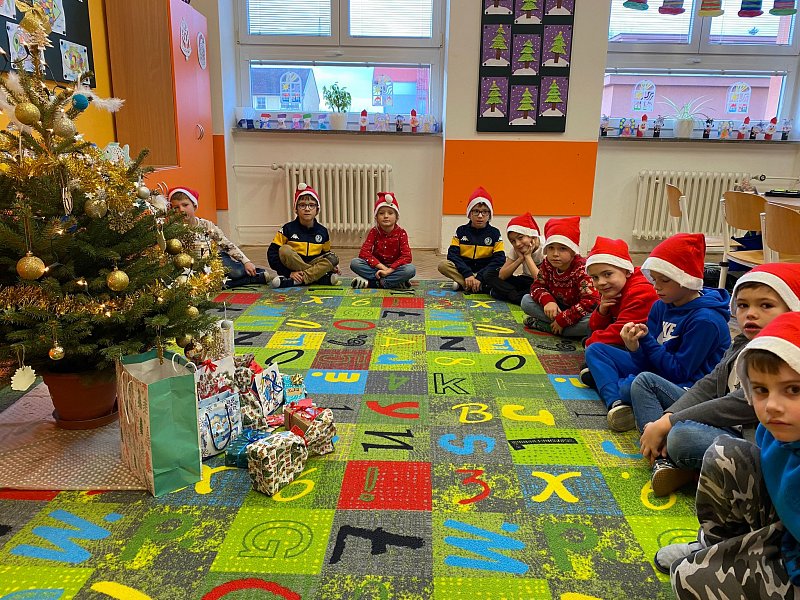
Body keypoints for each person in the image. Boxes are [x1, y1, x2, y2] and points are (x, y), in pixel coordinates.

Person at [656, 311, 800, 599]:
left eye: (794, 390)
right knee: (725, 453)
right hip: (786, 527)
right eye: (761, 390)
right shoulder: (771, 430)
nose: (772, 406)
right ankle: (715, 545)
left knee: (689, 579)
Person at [632, 263, 800, 496]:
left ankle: (670, 457)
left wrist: (670, 423)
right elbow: (709, 384)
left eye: (766, 305)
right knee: (644, 382)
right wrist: (666, 419)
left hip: (747, 439)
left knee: (681, 437)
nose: (751, 313)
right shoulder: (742, 342)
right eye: (743, 305)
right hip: (720, 423)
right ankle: (665, 455)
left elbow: (738, 404)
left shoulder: (788, 357)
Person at [584, 233, 731, 432]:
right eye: (654, 279)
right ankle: (617, 404)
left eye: (664, 280)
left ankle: (613, 386)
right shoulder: (661, 305)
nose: (655, 286)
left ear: (686, 280)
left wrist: (647, 343)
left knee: (631, 385)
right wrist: (635, 348)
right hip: (660, 369)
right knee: (596, 350)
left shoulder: (705, 321)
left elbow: (679, 372)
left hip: (689, 386)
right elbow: (646, 361)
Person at [168, 187, 267, 289]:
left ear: (194, 206)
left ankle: (254, 272)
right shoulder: (172, 230)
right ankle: (250, 279)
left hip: (214, 259)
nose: (181, 210)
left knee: (235, 272)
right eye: (176, 207)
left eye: (185, 205)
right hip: (192, 265)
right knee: (203, 284)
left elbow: (226, 244)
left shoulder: (206, 225)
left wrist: (246, 262)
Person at [520, 216, 599, 339]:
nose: (555, 254)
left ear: (573, 251)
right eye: (551, 248)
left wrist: (563, 320)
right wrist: (548, 301)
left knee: (593, 321)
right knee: (526, 301)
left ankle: (549, 327)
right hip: (557, 308)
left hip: (579, 313)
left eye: (562, 248)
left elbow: (591, 301)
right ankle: (564, 330)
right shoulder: (547, 264)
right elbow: (537, 285)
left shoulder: (582, 269)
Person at [583, 236, 659, 348]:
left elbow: (624, 332)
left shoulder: (641, 291)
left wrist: (590, 343)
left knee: (594, 348)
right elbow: (594, 327)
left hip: (646, 343)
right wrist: (602, 311)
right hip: (625, 334)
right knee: (590, 331)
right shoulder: (613, 286)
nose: (601, 282)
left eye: (607, 274)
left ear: (627, 271)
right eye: (595, 277)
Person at [267, 183, 339, 288]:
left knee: (333, 258)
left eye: (311, 205)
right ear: (296, 209)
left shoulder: (323, 231)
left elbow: (325, 253)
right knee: (284, 250)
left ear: (317, 210)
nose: (307, 209)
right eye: (302, 205)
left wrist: (333, 266)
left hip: (313, 262)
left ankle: (298, 280)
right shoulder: (287, 228)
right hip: (293, 267)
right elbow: (272, 253)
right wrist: (288, 273)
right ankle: (317, 277)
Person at [437, 186, 505, 293]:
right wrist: (467, 273)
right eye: (476, 211)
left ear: (489, 214)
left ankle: (465, 284)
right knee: (443, 265)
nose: (480, 216)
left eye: (485, 212)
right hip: (464, 271)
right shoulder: (461, 231)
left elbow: (499, 259)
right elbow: (452, 254)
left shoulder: (495, 233)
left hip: (484, 272)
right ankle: (476, 285)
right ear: (469, 213)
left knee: (502, 269)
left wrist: (480, 276)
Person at [350, 192, 415, 289]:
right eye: (381, 213)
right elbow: (364, 253)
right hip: (377, 267)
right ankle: (393, 281)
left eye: (390, 213)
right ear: (376, 217)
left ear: (396, 217)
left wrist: (389, 271)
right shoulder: (374, 232)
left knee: (410, 270)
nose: (386, 216)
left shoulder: (401, 233)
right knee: (355, 263)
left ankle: (375, 283)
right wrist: (383, 268)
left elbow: (407, 256)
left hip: (395, 268)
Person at [481, 212, 544, 305]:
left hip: (540, 284)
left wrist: (528, 257)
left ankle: (503, 293)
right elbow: (502, 275)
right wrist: (520, 259)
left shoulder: (545, 248)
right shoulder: (518, 248)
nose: (517, 244)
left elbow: (540, 280)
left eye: (520, 238)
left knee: (538, 292)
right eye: (513, 241)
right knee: (489, 274)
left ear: (532, 236)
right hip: (525, 280)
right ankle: (513, 295)